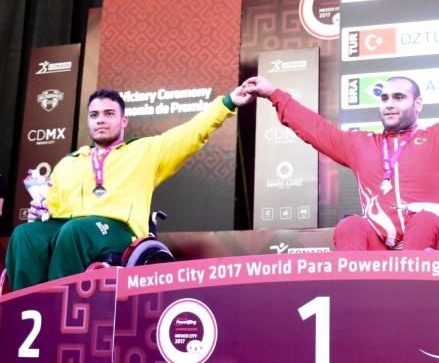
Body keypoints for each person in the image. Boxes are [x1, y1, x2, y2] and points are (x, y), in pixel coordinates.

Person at [242, 53, 439, 250]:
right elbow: (316, 129)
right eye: (384, 98)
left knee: (426, 221)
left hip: (429, 244)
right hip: (379, 246)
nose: (389, 105)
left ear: (418, 104)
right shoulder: (361, 144)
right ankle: (355, 306)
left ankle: (414, 301)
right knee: (350, 226)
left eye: (398, 97)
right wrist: (275, 94)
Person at [5, 87, 254, 291]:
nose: (100, 119)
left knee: (74, 231)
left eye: (108, 113)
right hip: (70, 227)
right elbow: (53, 210)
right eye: (94, 115)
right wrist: (41, 211)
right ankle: (25, 312)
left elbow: (191, 133)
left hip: (118, 230)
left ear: (123, 120)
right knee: (25, 235)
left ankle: (59, 312)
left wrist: (228, 102)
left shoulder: (146, 151)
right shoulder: (68, 163)